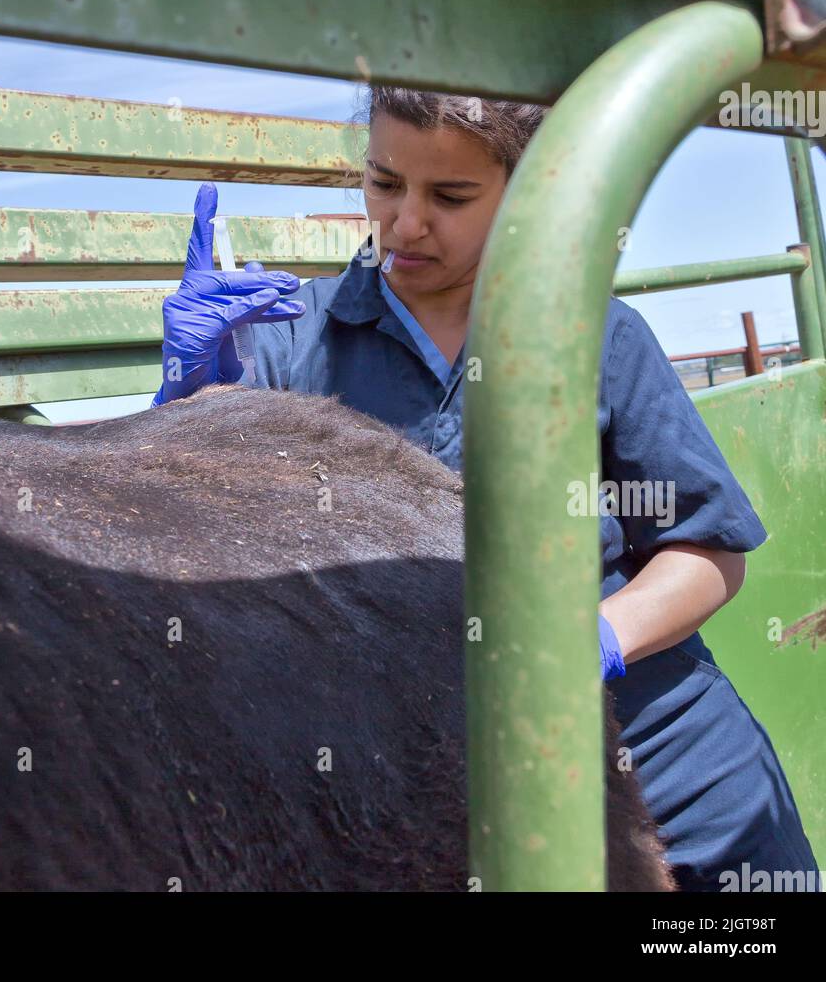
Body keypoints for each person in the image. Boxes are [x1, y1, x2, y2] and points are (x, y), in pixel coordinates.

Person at [151, 87, 821, 894]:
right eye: (385, 183)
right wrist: (190, 409)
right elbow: (215, 556)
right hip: (440, 786)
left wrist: (587, 645)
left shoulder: (593, 332)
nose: (405, 223)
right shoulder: (290, 339)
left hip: (663, 749)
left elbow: (709, 552)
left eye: (452, 196)